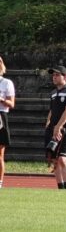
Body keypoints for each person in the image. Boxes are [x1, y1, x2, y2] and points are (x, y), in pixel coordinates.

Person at [44, 66, 66, 188]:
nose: (54, 77)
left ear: (65, 76)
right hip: (52, 129)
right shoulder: (52, 93)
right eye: (53, 75)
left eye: (57, 75)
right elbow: (51, 111)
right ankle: (60, 188)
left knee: (62, 158)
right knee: (54, 159)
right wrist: (48, 124)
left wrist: (58, 127)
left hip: (65, 130)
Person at [0, 54, 12, 188]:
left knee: (0, 153)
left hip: (1, 116)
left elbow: (11, 103)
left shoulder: (6, 83)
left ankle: (0, 182)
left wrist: (1, 100)